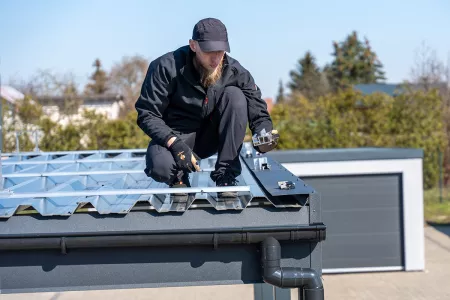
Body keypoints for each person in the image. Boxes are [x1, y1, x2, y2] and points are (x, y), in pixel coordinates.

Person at [135, 17, 279, 198]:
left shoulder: (235, 71)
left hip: (213, 136)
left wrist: (263, 133)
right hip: (177, 137)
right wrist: (175, 144)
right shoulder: (164, 67)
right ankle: (178, 178)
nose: (216, 58)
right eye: (209, 51)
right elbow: (147, 114)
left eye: (221, 51)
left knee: (235, 96)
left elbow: (258, 111)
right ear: (193, 45)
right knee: (160, 167)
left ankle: (226, 174)